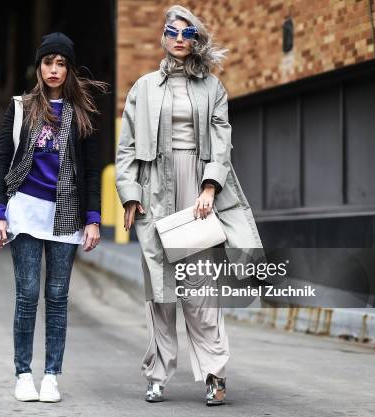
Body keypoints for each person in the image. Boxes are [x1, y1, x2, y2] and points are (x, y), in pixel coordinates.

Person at [115, 5, 263, 406]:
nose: (179, 39)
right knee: (159, 290)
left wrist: (211, 186)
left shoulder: (213, 88)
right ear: (162, 38)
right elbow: (127, 148)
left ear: (197, 41)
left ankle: (215, 374)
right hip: (153, 193)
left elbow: (222, 141)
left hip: (196, 192)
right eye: (172, 32)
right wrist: (129, 195)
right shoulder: (142, 88)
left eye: (188, 34)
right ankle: (157, 374)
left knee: (199, 288)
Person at [0, 32, 107, 403]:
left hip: (66, 212)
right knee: (27, 296)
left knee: (57, 296)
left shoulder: (82, 112)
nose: (54, 70)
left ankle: (52, 375)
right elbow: (0, 161)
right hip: (24, 210)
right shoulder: (21, 107)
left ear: (69, 69)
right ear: (39, 67)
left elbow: (90, 170)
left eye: (61, 64)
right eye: (48, 63)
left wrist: (93, 218)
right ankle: (23, 374)